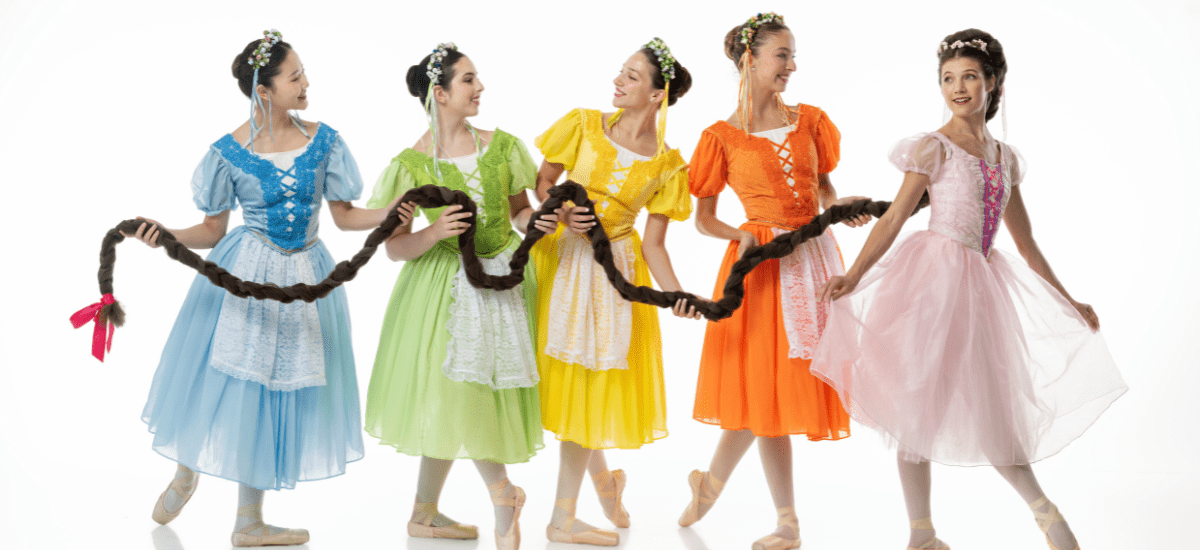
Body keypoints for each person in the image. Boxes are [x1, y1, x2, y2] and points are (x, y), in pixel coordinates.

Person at [811, 28, 1126, 550]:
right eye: (948, 78)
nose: (957, 88)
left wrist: (1068, 299)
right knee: (915, 404)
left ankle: (1046, 515)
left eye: (969, 77)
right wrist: (857, 274)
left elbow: (1025, 241)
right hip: (930, 284)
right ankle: (922, 534)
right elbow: (893, 218)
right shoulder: (932, 147)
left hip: (982, 288)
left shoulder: (1005, 157)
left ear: (992, 82)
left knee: (992, 408)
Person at [130, 30, 392, 547]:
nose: (306, 82)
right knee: (228, 377)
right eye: (295, 76)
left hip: (306, 278)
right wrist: (165, 233)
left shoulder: (324, 141)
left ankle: (248, 520)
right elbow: (212, 230)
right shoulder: (228, 152)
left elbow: (344, 216)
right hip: (246, 273)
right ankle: (187, 470)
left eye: (303, 72)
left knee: (273, 389)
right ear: (264, 90)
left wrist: (392, 212)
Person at [679, 13, 870, 550]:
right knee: (767, 392)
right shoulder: (721, 137)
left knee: (771, 394)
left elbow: (824, 188)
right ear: (750, 59)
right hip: (760, 269)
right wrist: (738, 233)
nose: (791, 66)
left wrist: (841, 206)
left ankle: (712, 489)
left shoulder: (810, 120)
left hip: (813, 259)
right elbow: (703, 218)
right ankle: (787, 522)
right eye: (782, 55)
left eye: (793, 55)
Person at [363, 42, 544, 550]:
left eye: (476, 78)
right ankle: (503, 493)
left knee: (466, 389)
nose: (480, 87)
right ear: (439, 94)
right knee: (457, 388)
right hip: (443, 289)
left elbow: (519, 210)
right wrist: (434, 232)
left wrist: (537, 224)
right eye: (468, 79)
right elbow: (394, 248)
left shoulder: (503, 147)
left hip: (502, 279)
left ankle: (424, 513)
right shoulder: (410, 165)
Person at [532, 38, 700, 546]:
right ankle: (596, 492)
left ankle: (567, 514)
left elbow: (654, 244)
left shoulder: (668, 164)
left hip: (613, 278)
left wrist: (676, 294)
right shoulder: (583, 125)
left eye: (631, 76)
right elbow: (544, 183)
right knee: (573, 383)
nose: (618, 81)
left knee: (590, 383)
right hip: (563, 263)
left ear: (657, 94)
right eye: (620, 71)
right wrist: (562, 212)